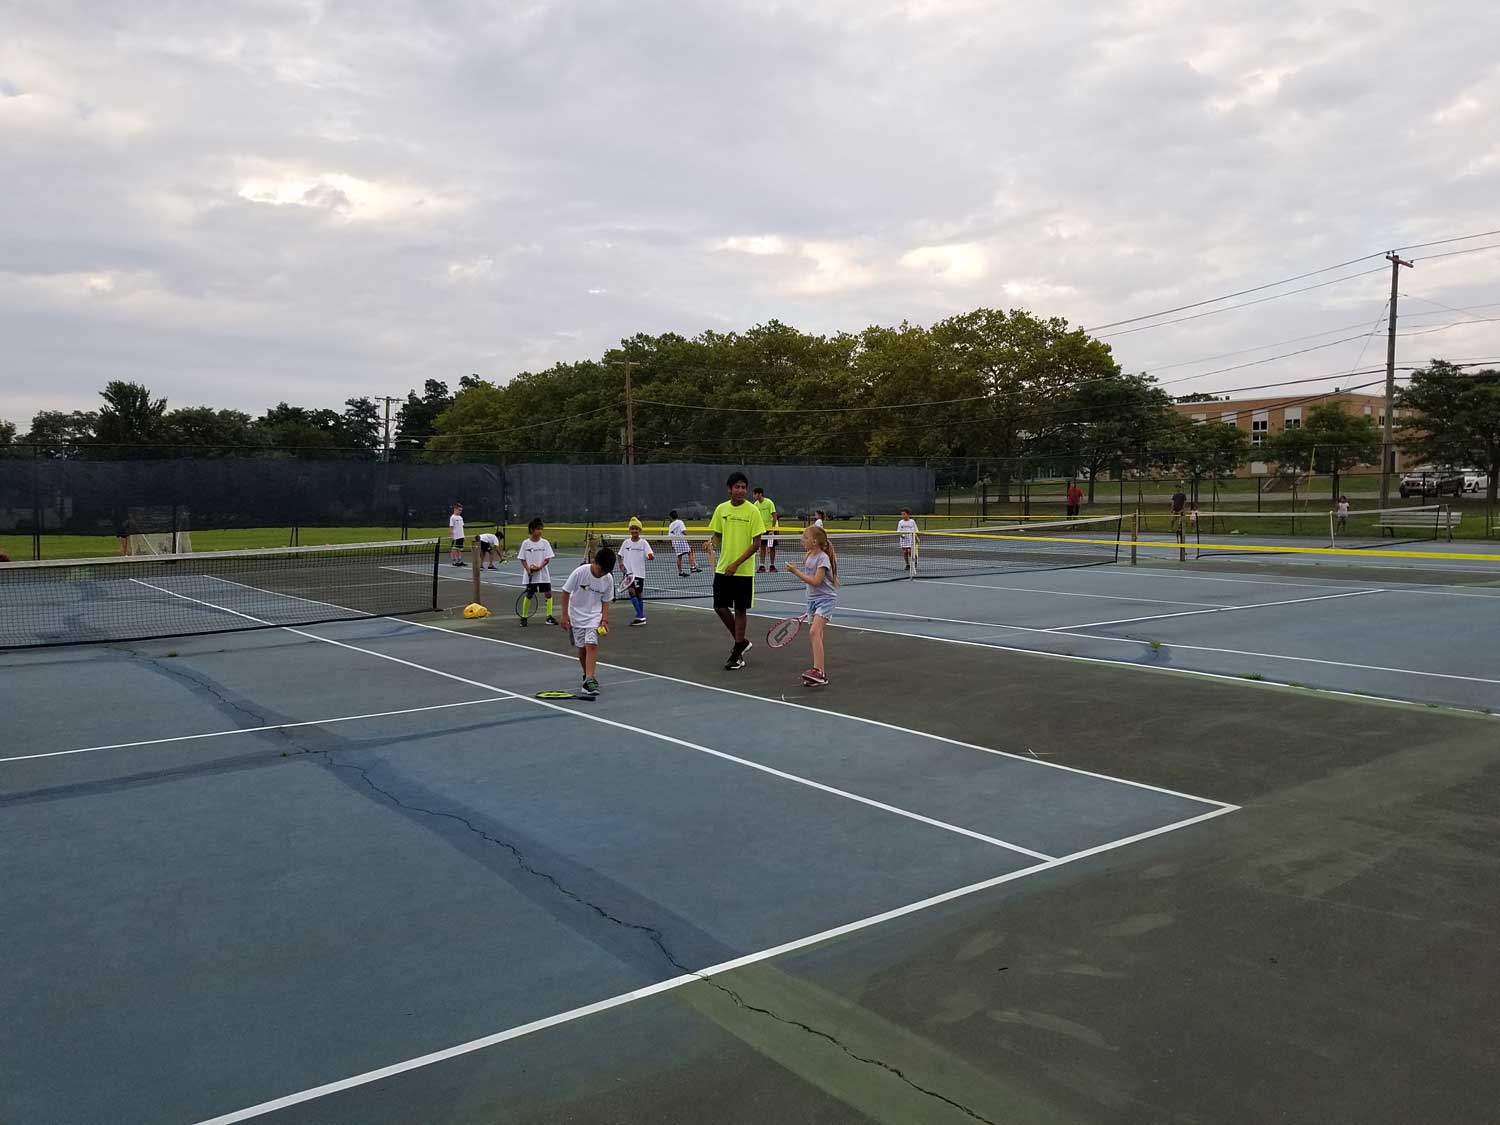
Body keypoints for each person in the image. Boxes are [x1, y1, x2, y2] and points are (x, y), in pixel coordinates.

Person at [706, 471, 766, 670]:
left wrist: (736, 564)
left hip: (743, 571)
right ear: (729, 489)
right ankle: (741, 642)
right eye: (737, 487)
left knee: (740, 610)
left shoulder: (753, 511)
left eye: (743, 487)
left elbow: (756, 543)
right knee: (719, 606)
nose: (740, 490)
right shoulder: (721, 509)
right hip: (723, 568)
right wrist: (711, 543)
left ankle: (737, 653)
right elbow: (718, 535)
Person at [559, 544, 615, 697]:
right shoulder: (580, 572)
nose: (602, 574)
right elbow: (565, 592)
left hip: (594, 616)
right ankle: (587, 676)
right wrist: (564, 616)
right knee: (582, 648)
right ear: (594, 562)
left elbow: (606, 600)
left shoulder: (608, 579)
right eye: (600, 570)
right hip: (576, 615)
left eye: (605, 572)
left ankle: (590, 679)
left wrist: (604, 620)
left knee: (591, 645)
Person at [786, 525, 838, 686]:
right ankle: (819, 672)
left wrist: (795, 572)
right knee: (818, 634)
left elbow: (816, 581)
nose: (802, 540)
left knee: (814, 632)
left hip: (825, 600)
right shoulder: (809, 555)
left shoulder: (823, 558)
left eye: (805, 538)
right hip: (812, 601)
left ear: (814, 541)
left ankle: (818, 672)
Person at [517, 518, 557, 626]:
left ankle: (549, 617)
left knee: (548, 593)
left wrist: (540, 567)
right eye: (538, 529)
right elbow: (522, 559)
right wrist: (528, 569)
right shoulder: (526, 543)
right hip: (530, 575)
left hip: (543, 574)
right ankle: (524, 617)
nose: (540, 531)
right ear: (532, 530)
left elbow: (547, 558)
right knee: (529, 594)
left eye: (541, 529)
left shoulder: (545, 543)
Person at [616, 518, 655, 626]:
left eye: (636, 529)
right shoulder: (626, 543)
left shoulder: (643, 543)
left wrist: (650, 556)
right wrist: (621, 564)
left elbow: (650, 554)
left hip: (639, 574)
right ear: (630, 530)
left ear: (639, 530)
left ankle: (640, 617)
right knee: (631, 591)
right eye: (632, 528)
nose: (634, 531)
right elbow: (619, 556)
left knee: (639, 595)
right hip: (629, 574)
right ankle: (640, 616)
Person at [753, 486, 779, 573]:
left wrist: (772, 529)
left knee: (772, 547)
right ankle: (762, 566)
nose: (753, 496)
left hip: (771, 528)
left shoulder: (769, 503)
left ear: (760, 494)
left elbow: (774, 516)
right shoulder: (755, 505)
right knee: (762, 547)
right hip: (762, 529)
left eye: (755, 494)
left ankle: (772, 566)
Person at [668, 510, 699, 576]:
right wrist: (688, 538)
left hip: (675, 542)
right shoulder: (680, 522)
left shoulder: (671, 525)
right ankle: (692, 567)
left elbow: (670, 535)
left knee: (679, 557)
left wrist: (672, 544)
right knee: (689, 552)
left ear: (671, 517)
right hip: (682, 541)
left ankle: (680, 572)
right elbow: (683, 531)